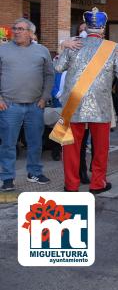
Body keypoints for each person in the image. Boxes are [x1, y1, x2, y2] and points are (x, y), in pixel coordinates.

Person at [54, 8, 118, 194]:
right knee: (100, 147)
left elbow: (58, 67)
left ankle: (71, 186)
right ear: (103, 28)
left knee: (71, 148)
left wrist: (63, 46)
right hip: (100, 104)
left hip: (73, 103)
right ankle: (98, 183)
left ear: (86, 27)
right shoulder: (112, 47)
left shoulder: (74, 44)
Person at [0, 18, 54, 192]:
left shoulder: (42, 51)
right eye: (14, 28)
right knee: (8, 144)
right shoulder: (3, 49)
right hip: (9, 105)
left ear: (31, 33)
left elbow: (49, 75)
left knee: (35, 142)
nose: (16, 31)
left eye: (21, 29)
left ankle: (34, 172)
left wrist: (44, 97)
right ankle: (7, 178)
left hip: (35, 106)